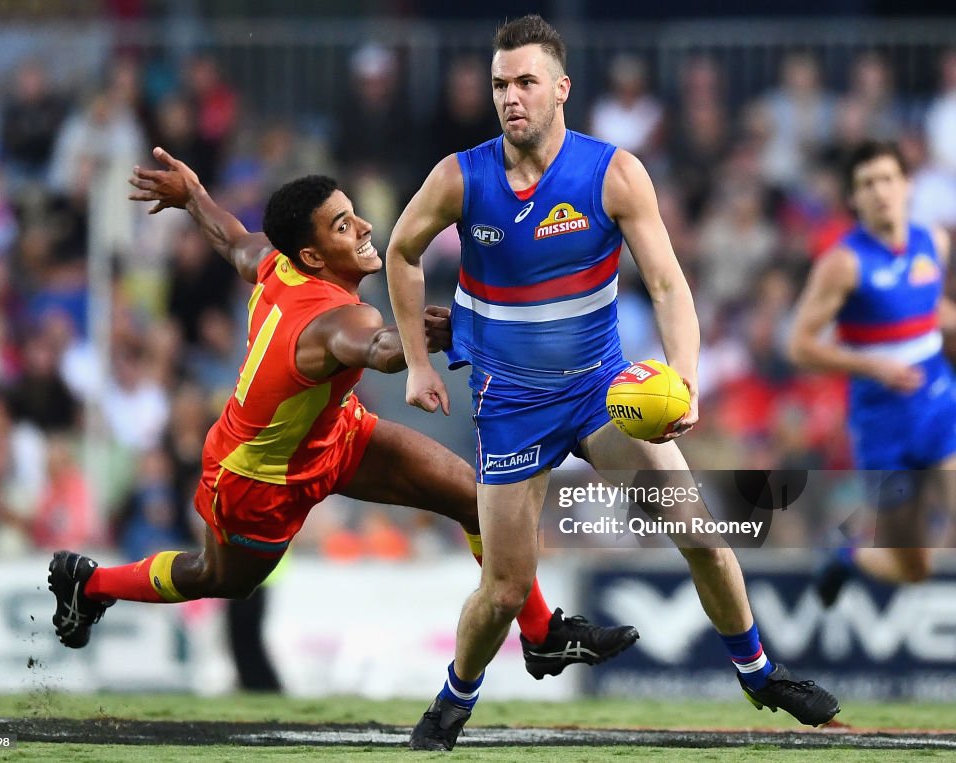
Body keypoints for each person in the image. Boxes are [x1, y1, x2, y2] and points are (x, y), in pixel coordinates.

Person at [385, 15, 839, 750]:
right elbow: (401, 252)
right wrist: (414, 360)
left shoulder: (613, 173)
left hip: (603, 393)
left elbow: (666, 283)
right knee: (503, 590)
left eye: (526, 81)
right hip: (512, 407)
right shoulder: (458, 176)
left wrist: (685, 378)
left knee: (702, 533)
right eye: (501, 84)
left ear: (562, 88)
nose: (511, 97)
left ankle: (760, 674)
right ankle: (451, 703)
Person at [47, 146, 639, 685]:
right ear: (312, 254)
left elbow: (231, 239)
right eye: (342, 225)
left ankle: (542, 636)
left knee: (471, 495)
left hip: (333, 432)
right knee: (220, 579)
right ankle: (90, 583)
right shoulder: (340, 321)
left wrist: (193, 197)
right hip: (258, 476)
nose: (363, 227)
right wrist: (432, 341)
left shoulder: (277, 263)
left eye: (353, 214)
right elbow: (378, 349)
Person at [789, 140, 955, 605]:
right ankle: (851, 557)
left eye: (887, 179)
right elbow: (799, 345)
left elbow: (928, 309)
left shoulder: (933, 243)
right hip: (884, 429)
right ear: (853, 199)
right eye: (866, 184)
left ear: (907, 186)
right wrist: (871, 365)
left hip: (941, 410)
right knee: (915, 567)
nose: (879, 191)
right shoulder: (842, 264)